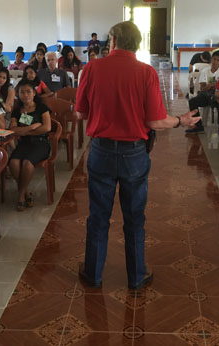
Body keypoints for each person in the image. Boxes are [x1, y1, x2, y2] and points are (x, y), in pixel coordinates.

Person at [75, 21, 199, 290]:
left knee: (98, 216)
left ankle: (93, 274)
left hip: (101, 152)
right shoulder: (146, 73)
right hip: (134, 156)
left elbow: (80, 113)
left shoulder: (91, 68)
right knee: (134, 218)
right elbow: (155, 122)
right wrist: (180, 121)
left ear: (113, 40)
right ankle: (136, 275)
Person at [9, 79, 52, 211]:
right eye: (22, 92)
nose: (25, 95)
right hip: (25, 143)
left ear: (34, 93)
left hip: (41, 143)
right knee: (13, 162)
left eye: (28, 91)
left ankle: (21, 195)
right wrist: (31, 128)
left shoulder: (42, 108)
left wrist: (23, 131)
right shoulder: (17, 110)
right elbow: (13, 129)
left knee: (27, 163)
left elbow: (46, 128)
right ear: (18, 94)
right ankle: (26, 191)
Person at [186, 50, 219, 134]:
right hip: (206, 95)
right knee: (192, 102)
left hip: (218, 95)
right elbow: (203, 88)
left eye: (218, 60)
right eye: (214, 59)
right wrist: (211, 85)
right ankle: (199, 126)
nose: (215, 62)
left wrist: (213, 85)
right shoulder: (205, 71)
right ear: (211, 59)